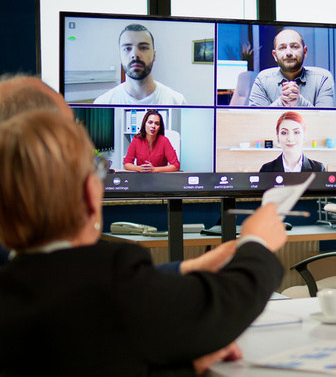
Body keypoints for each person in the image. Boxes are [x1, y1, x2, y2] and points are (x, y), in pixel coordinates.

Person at [0, 110, 288, 375]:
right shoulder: (112, 274)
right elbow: (221, 307)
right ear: (91, 195)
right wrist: (257, 241)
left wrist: (189, 367)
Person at [0, 74, 228, 275]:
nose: (154, 126)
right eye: (150, 122)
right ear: (91, 194)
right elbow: (127, 163)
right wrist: (139, 169)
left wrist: (155, 169)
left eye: (157, 123)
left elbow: (175, 164)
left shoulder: (166, 139)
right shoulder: (118, 269)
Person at [94, 23, 186, 105]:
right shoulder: (103, 103)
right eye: (127, 49)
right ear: (120, 56)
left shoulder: (176, 102)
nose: (135, 55)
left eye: (143, 48)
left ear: (154, 55)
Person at [248, 29, 335, 107]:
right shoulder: (262, 80)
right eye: (282, 48)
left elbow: (325, 121)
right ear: (275, 55)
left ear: (305, 52)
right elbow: (256, 120)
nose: (288, 52)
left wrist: (299, 101)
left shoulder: (322, 79)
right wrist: (282, 102)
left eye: (294, 46)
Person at [259, 111, 326, 172]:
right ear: (278, 136)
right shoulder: (266, 170)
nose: (290, 139)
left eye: (296, 132)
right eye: (284, 133)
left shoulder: (319, 169)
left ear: (304, 135)